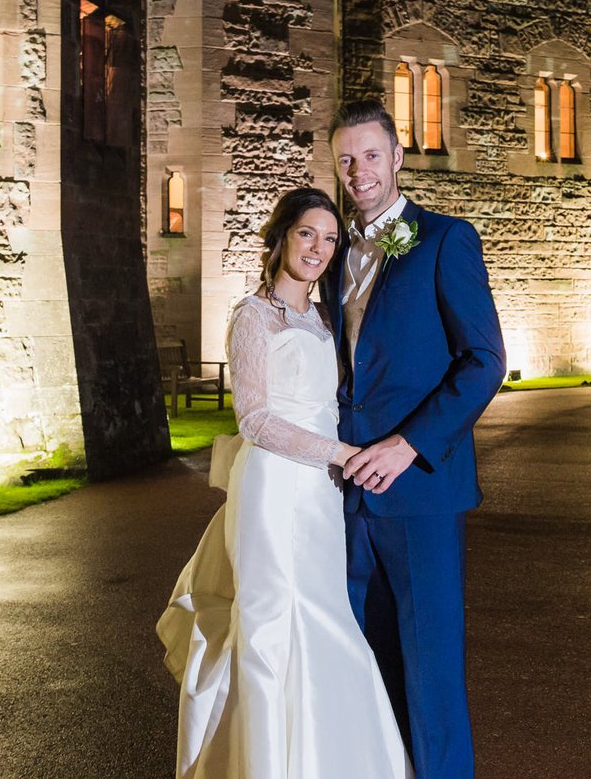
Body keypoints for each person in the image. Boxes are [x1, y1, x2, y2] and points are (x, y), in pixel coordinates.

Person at [158, 187, 411, 779]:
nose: (319, 249)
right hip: (273, 486)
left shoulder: (325, 317)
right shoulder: (252, 316)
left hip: (320, 492)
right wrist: (344, 453)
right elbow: (256, 419)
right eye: (306, 234)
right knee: (273, 622)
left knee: (325, 615)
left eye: (329, 239)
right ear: (280, 238)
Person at [323, 99, 505, 779]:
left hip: (423, 493)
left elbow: (484, 360)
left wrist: (409, 444)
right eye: (346, 158)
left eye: (371, 155)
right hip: (349, 500)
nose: (358, 170)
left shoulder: (445, 240)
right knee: (369, 668)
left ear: (399, 157)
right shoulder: (336, 253)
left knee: (433, 675)